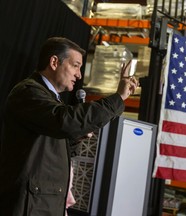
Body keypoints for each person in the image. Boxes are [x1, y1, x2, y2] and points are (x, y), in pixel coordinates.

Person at [0, 37, 138, 216]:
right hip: (30, 206)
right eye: (75, 65)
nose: (79, 75)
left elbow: (47, 147)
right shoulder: (28, 92)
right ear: (54, 62)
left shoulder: (48, 98)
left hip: (42, 204)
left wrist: (73, 139)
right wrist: (117, 98)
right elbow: (65, 121)